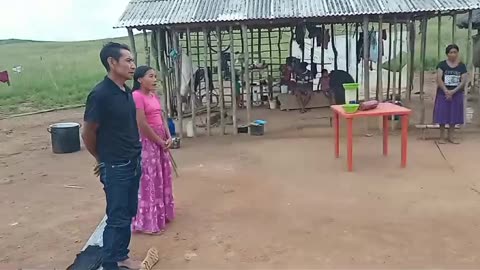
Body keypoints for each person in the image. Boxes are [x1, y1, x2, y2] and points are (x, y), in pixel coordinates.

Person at [82, 42, 141, 270]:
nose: (132, 65)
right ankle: (110, 263)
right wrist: (101, 158)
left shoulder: (126, 91)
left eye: (133, 60)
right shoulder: (100, 95)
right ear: (112, 62)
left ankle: (121, 256)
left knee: (127, 212)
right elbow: (87, 133)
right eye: (127, 60)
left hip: (133, 161)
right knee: (117, 216)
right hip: (116, 165)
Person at [130, 66, 175, 234]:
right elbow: (142, 124)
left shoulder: (152, 95)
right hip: (148, 142)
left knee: (160, 176)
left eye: (155, 76)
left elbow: (162, 117)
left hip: (160, 140)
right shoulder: (136, 96)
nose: (155, 79)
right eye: (151, 76)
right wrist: (159, 141)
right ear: (140, 79)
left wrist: (169, 136)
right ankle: (147, 222)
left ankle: (161, 214)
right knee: (148, 179)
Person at [433, 44, 468, 144]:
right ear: (447, 54)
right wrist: (446, 91)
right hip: (443, 94)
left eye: (455, 52)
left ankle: (451, 136)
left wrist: (453, 91)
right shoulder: (442, 65)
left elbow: (463, 80)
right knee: (442, 115)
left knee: (454, 115)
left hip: (456, 94)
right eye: (450, 52)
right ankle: (441, 137)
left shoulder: (462, 66)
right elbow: (439, 78)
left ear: (457, 53)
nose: (453, 54)